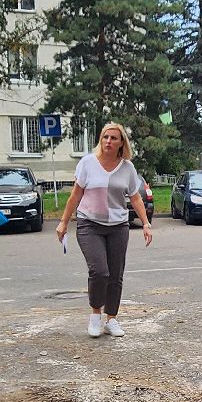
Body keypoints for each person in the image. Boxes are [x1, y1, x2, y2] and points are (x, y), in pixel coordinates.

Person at [54, 121, 154, 337]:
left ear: (121, 143)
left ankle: (112, 319)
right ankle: (95, 315)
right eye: (105, 137)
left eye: (113, 138)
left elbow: (135, 197)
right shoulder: (87, 163)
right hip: (89, 224)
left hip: (118, 226)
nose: (108, 141)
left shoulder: (128, 168)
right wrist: (63, 221)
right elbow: (75, 195)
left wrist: (145, 223)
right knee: (100, 271)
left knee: (116, 274)